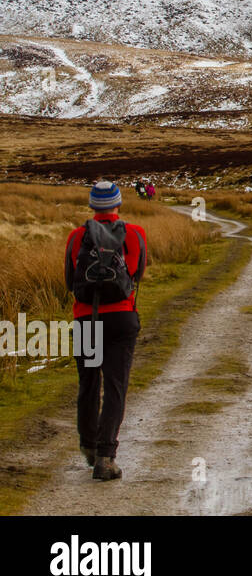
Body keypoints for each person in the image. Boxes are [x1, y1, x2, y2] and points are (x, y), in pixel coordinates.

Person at [64, 181, 147, 481]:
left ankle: (88, 445)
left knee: (88, 384)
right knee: (115, 386)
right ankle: (105, 457)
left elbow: (69, 281)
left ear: (91, 206)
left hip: (86, 318)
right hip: (122, 320)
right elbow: (137, 275)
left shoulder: (76, 237)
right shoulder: (135, 234)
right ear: (118, 204)